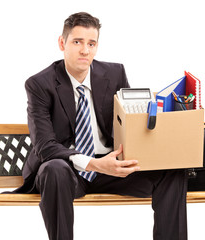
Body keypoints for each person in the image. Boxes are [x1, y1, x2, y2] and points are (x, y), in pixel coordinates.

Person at [14, 12, 188, 240]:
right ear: (62, 43)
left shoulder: (115, 74)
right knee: (54, 169)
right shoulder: (39, 84)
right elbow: (45, 146)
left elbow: (129, 125)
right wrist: (94, 164)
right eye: (77, 42)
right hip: (69, 172)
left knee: (171, 169)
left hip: (112, 169)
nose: (85, 50)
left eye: (91, 43)